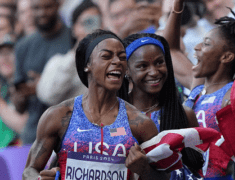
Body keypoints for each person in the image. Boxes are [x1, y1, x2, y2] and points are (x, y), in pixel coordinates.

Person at [22, 29, 168, 180]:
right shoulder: (58, 116)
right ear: (87, 65)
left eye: (122, 57)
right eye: (106, 56)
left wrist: (144, 169)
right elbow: (29, 171)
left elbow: (165, 177)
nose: (117, 61)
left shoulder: (139, 123)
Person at [164, 0, 235, 179]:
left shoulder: (232, 94)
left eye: (206, 44)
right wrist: (177, 8)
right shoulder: (196, 88)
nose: (197, 47)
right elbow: (171, 49)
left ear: (226, 56)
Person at [123, 32, 203, 179]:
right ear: (127, 70)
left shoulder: (185, 115)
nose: (154, 72)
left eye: (159, 62)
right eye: (142, 66)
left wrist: (147, 170)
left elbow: (195, 172)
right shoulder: (114, 114)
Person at [12, 0, 73, 144]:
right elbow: (19, 106)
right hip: (35, 134)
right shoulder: (22, 47)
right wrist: (19, 96)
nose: (42, 13)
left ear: (58, 5)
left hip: (69, 131)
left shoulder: (73, 38)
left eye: (47, 6)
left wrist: (43, 86)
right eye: (36, 8)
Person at [36, 0, 102, 106]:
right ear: (74, 29)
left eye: (95, 22)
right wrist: (77, 53)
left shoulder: (115, 59)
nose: (92, 29)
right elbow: (47, 96)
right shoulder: (58, 62)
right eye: (86, 23)